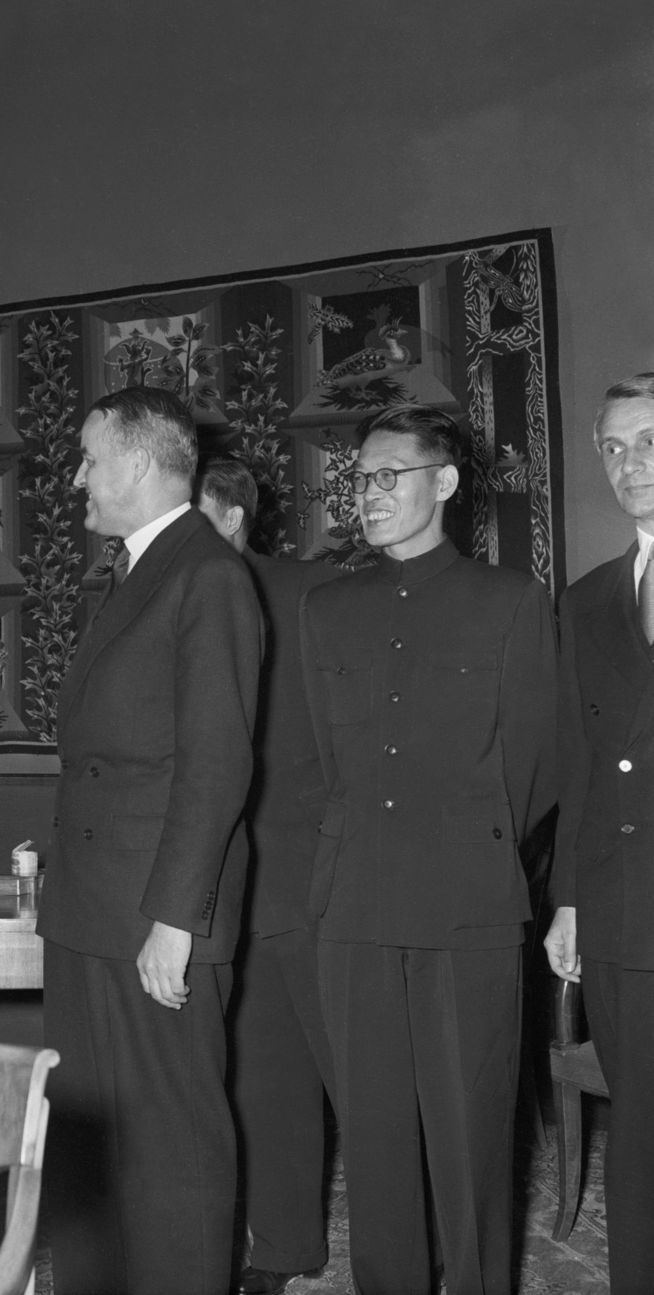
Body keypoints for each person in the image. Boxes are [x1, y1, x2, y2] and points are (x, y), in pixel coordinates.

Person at [299, 404, 555, 1295]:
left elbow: (534, 764)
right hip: (352, 903)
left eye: (387, 476)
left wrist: (464, 845)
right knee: (373, 1141)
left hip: (467, 901)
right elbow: (330, 762)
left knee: (471, 1136)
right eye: (357, 479)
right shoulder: (326, 610)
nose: (365, 495)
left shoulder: (509, 601)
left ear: (443, 483)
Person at [38, 388, 263, 1295]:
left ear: (135, 464)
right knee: (91, 1139)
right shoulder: (139, 570)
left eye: (89, 460)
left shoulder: (206, 573)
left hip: (154, 919)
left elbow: (217, 762)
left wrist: (176, 918)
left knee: (171, 1149)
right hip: (95, 911)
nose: (79, 478)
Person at [198, 458, 338, 1295]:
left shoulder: (314, 593)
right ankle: (284, 1247)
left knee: (365, 1074)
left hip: (315, 874)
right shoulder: (158, 595)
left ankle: (421, 1244)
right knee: (264, 1073)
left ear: (232, 516)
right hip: (219, 889)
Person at [545, 373, 654, 1294]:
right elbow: (578, 762)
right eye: (614, 448)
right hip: (625, 909)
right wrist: (570, 899)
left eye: (650, 439)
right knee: (642, 1131)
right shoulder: (586, 602)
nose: (631, 464)